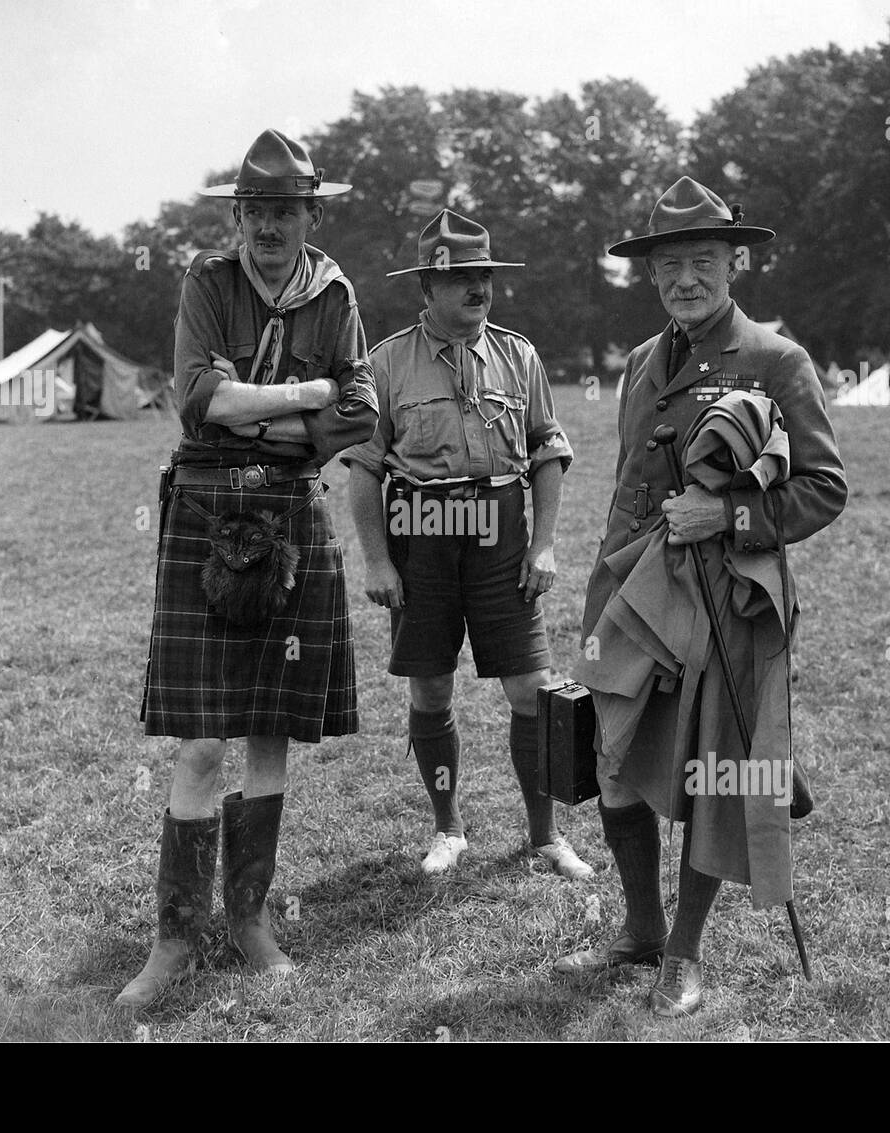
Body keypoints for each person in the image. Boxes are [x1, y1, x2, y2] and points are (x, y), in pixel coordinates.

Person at [553, 176, 847, 1016]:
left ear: (736, 262)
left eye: (703, 261)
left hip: (727, 602)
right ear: (652, 274)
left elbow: (824, 489)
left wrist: (727, 509)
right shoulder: (643, 363)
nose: (686, 278)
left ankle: (684, 955)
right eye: (670, 264)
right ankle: (640, 930)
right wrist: (601, 588)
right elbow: (626, 489)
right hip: (634, 596)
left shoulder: (775, 359)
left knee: (711, 775)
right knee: (614, 761)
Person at [118, 130, 378, 1008]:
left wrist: (269, 418)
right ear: (238, 214)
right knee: (201, 737)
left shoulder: (334, 292)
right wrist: (305, 398)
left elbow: (362, 415)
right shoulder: (207, 281)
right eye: (256, 210)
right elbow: (203, 398)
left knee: (270, 727)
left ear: (312, 213)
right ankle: (175, 937)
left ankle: (250, 918)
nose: (270, 226)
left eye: (286, 210)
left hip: (292, 511)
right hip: (206, 505)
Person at [343, 209, 591, 881]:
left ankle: (544, 835)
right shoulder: (387, 362)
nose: (478, 288)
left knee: (531, 687)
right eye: (460, 278)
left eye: (484, 274)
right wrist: (375, 559)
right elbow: (364, 468)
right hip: (421, 536)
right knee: (430, 687)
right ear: (427, 288)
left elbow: (547, 451)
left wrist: (543, 545)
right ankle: (448, 827)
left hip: (501, 536)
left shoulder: (520, 355)